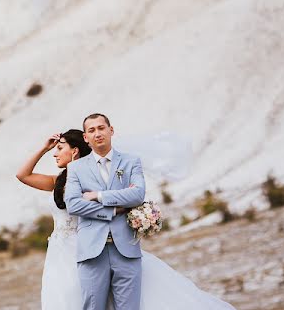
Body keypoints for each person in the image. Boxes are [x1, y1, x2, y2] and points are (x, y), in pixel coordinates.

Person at [16, 115, 236, 310]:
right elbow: (23, 175)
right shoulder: (59, 180)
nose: (55, 153)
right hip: (63, 249)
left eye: (59, 148)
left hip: (94, 243)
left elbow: (132, 196)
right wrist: (43, 148)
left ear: (74, 150)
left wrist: (105, 201)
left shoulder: (94, 174)